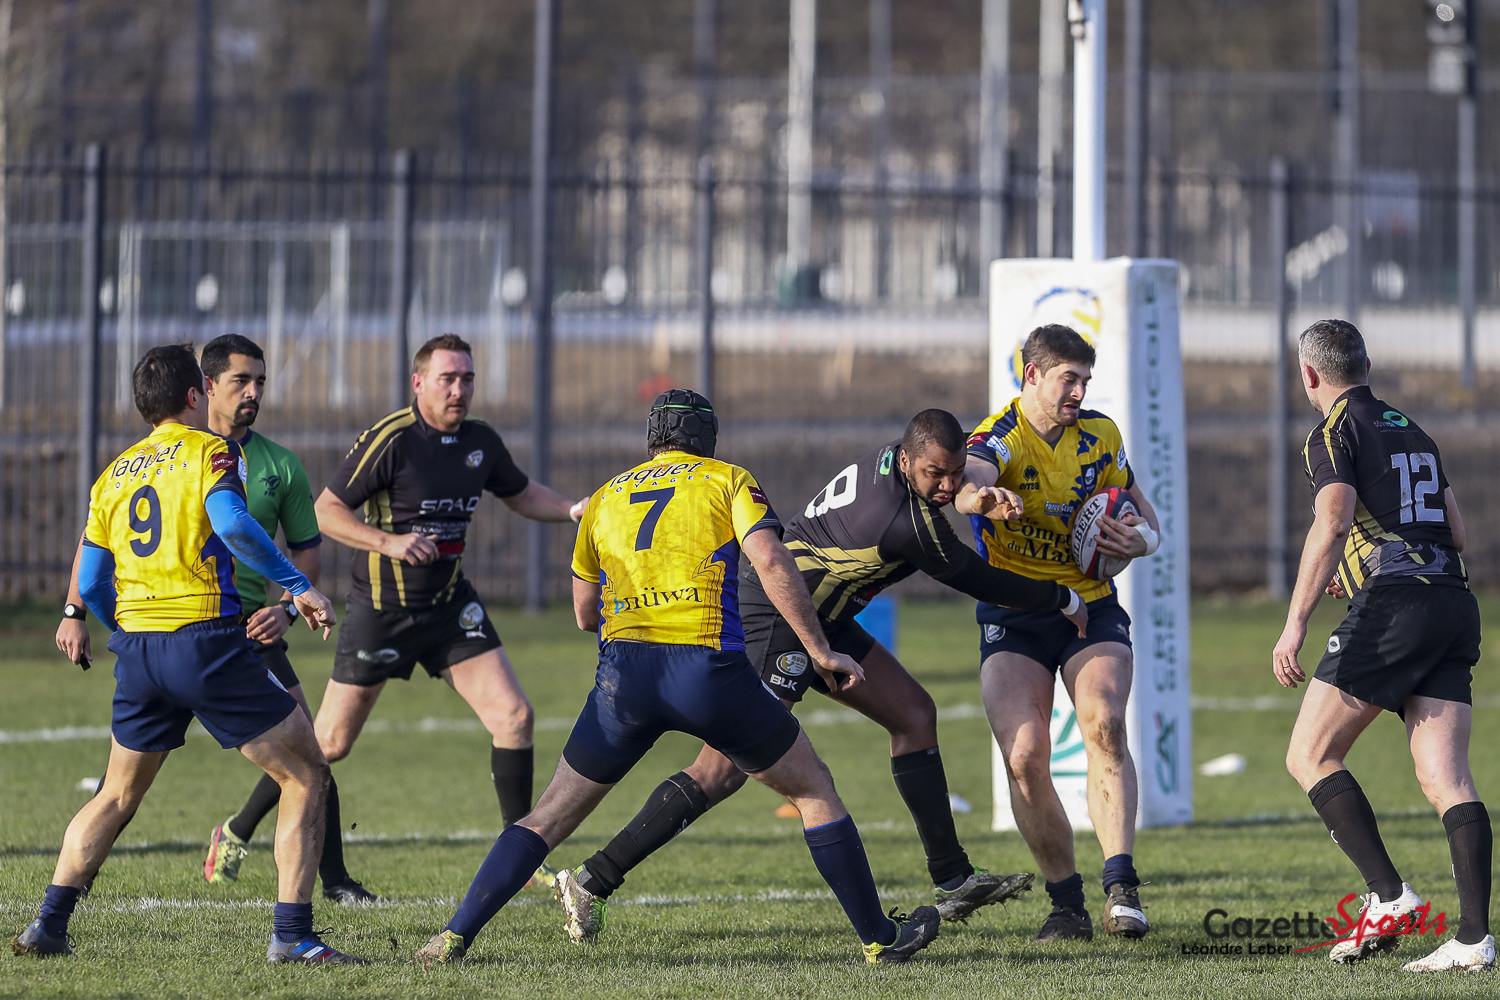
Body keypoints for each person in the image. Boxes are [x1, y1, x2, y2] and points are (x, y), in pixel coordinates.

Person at [414, 390, 941, 967]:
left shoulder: (605, 497)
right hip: (707, 672)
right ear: (707, 438)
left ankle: (453, 937)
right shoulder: (728, 480)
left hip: (624, 680)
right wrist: (819, 649)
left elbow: (585, 613)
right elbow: (770, 560)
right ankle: (880, 939)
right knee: (813, 788)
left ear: (653, 437)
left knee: (546, 816)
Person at [552, 408, 1088, 943]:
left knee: (915, 715)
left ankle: (952, 878)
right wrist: (1061, 597)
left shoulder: (896, 459)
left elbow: (954, 476)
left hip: (822, 617)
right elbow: (980, 580)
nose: (947, 486)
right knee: (720, 771)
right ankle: (593, 879)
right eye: (936, 475)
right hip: (779, 617)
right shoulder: (907, 525)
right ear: (908, 462)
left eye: (955, 473)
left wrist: (972, 494)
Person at [12, 345, 362, 964]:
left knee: (115, 795)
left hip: (138, 652)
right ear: (196, 395)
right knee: (306, 773)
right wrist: (300, 587)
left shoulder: (113, 475)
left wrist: (128, 627)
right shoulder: (211, 452)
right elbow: (233, 525)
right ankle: (292, 935)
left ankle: (47, 925)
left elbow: (90, 580)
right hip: (205, 642)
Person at [312, 334, 582, 880]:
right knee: (328, 744)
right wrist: (390, 543)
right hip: (382, 610)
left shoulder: (480, 441)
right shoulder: (392, 440)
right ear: (418, 383)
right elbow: (326, 510)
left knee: (515, 717)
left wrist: (574, 509)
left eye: (467, 379)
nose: (460, 390)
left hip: (449, 608)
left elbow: (520, 493)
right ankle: (241, 827)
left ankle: (519, 855)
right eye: (448, 379)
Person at [1273, 319, 1491, 971]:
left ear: (1309, 374)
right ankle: (1474, 940)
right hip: (1453, 602)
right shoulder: (1413, 430)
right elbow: (1455, 533)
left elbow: (1334, 517)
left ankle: (1390, 897)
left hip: (1399, 605)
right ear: (1367, 365)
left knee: (1310, 754)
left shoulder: (1333, 431)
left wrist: (1295, 623)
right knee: (1446, 777)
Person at [953, 324, 1161, 942]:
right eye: (1068, 379)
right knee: (1023, 758)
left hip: (1090, 607)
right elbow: (966, 482)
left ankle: (1121, 889)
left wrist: (1141, 541)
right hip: (1014, 613)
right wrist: (981, 500)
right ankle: (1067, 904)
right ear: (1032, 374)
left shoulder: (1100, 436)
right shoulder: (999, 437)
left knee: (1105, 723)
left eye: (1085, 380)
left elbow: (1146, 518)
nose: (1078, 392)